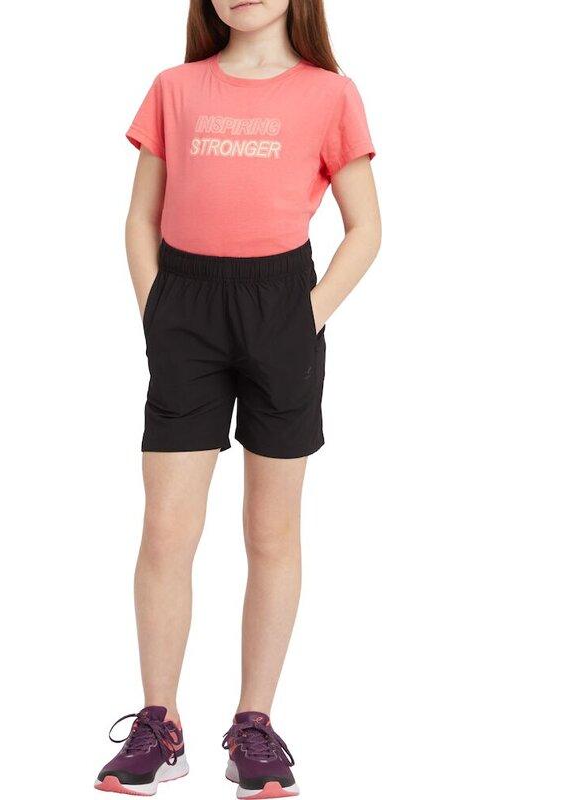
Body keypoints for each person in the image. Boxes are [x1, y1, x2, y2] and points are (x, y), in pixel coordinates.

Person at [95, 1, 381, 796]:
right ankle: (160, 724)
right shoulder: (175, 87)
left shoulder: (330, 93)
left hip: (281, 305)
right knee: (166, 528)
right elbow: (140, 216)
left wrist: (305, 319)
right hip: (186, 307)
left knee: (271, 530)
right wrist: (157, 311)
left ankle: (254, 724)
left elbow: (366, 228)